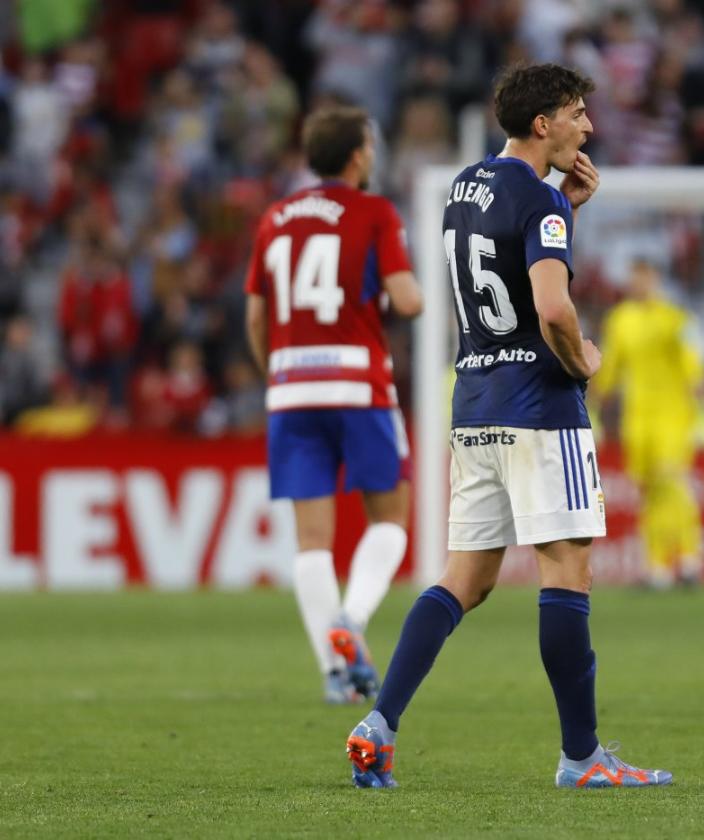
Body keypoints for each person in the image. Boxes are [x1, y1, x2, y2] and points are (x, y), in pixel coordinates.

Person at [345, 63, 671, 790]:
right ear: (543, 124)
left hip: (476, 403)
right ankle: (582, 758)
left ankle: (379, 723)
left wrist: (566, 207)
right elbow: (552, 308)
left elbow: (501, 267)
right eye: (577, 113)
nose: (588, 126)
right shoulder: (540, 202)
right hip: (540, 408)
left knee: (465, 577)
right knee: (566, 568)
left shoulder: (465, 187)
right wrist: (582, 363)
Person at [243, 106, 423, 705]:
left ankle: (333, 671)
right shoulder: (374, 212)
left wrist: (279, 374)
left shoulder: (274, 219)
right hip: (357, 385)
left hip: (291, 388)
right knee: (391, 518)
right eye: (370, 146)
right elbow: (407, 299)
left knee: (311, 541)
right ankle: (351, 616)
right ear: (357, 155)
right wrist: (413, 290)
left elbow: (256, 315)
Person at [592, 258, 704, 588]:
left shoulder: (674, 318)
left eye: (645, 279)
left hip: (673, 417)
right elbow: (610, 370)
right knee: (648, 492)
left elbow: (693, 364)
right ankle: (658, 568)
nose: (639, 285)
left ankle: (690, 560)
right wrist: (593, 408)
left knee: (672, 484)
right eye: (635, 279)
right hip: (638, 420)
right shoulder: (620, 320)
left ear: (657, 280)